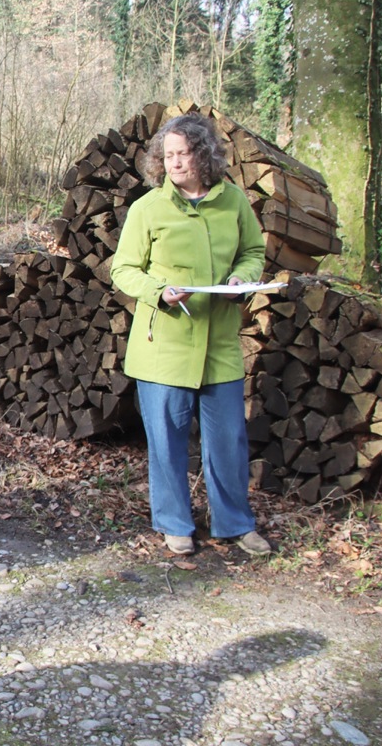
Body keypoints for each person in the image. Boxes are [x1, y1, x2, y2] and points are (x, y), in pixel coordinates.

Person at [110, 113, 273, 557]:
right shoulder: (148, 208)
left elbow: (253, 251)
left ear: (203, 155)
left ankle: (235, 523)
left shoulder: (233, 201)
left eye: (183, 154)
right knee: (166, 442)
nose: (175, 163)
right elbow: (123, 269)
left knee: (227, 442)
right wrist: (158, 291)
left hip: (218, 344)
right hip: (163, 345)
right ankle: (175, 523)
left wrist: (242, 277)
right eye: (168, 156)